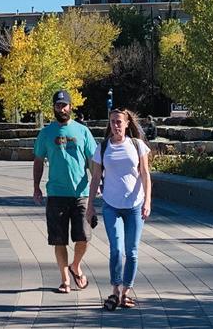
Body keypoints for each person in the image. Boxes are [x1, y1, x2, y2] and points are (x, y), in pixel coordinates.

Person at [86, 108, 152, 311]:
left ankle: (126, 292)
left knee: (132, 252)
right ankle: (115, 290)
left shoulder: (137, 145)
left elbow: (145, 174)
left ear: (126, 123)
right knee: (116, 250)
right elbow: (95, 178)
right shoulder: (103, 147)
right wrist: (90, 206)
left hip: (134, 205)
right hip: (111, 205)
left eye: (119, 122)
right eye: (112, 122)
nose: (116, 125)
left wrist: (147, 201)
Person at [33, 90, 97, 294]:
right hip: (56, 194)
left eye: (64, 105)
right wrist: (36, 187)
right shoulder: (46, 133)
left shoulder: (82, 131)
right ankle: (65, 280)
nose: (61, 109)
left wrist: (98, 182)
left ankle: (75, 265)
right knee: (59, 240)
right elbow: (38, 160)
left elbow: (92, 160)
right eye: (58, 105)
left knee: (84, 237)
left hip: (81, 193)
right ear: (53, 107)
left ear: (71, 107)